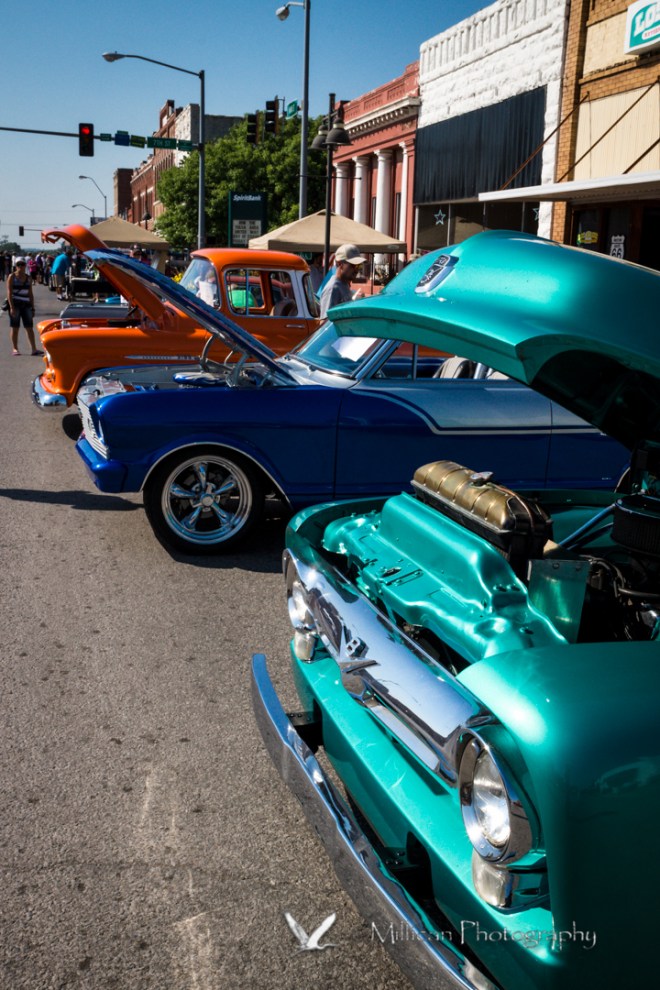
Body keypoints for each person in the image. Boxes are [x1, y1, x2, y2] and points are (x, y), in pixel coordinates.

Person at [319, 243, 366, 319]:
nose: (357, 270)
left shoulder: (344, 284)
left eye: (359, 265)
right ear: (340, 263)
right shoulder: (333, 289)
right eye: (353, 265)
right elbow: (325, 323)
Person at [7, 258, 41, 356]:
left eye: (22, 264)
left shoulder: (28, 278)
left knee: (29, 327)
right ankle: (15, 348)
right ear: (15, 266)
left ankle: (34, 349)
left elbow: (30, 293)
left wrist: (33, 307)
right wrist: (12, 307)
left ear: (25, 265)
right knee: (15, 327)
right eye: (19, 264)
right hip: (15, 304)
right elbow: (9, 293)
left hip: (26, 304)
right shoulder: (12, 276)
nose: (21, 267)